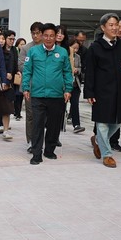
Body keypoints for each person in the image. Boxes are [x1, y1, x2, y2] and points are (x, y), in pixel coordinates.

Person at [84, 13, 121, 168]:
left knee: (118, 122)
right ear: (103, 27)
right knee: (102, 123)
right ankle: (107, 154)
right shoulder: (95, 47)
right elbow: (89, 71)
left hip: (119, 89)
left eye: (116, 25)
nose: (115, 28)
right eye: (111, 25)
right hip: (101, 90)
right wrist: (89, 92)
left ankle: (98, 140)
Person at [21, 23, 73, 165]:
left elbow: (67, 72)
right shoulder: (33, 51)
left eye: (52, 36)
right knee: (37, 124)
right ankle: (36, 153)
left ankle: (49, 150)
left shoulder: (62, 52)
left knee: (54, 125)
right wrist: (25, 88)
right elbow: (27, 71)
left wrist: (68, 90)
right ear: (41, 36)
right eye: (46, 35)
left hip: (56, 95)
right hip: (37, 95)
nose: (49, 38)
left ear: (56, 37)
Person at [18, 22, 44, 152]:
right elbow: (21, 66)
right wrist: (38, 67)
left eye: (37, 33)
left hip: (46, 87)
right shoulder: (26, 48)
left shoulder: (49, 47)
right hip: (29, 86)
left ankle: (43, 140)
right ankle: (32, 141)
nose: (35, 36)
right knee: (30, 115)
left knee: (44, 116)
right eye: (33, 33)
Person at [66, 35, 85, 133]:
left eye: (77, 48)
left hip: (75, 84)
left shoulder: (77, 57)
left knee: (75, 104)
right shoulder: (64, 55)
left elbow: (80, 68)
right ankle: (59, 123)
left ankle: (76, 125)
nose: (75, 50)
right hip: (65, 84)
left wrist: (77, 70)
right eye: (74, 48)